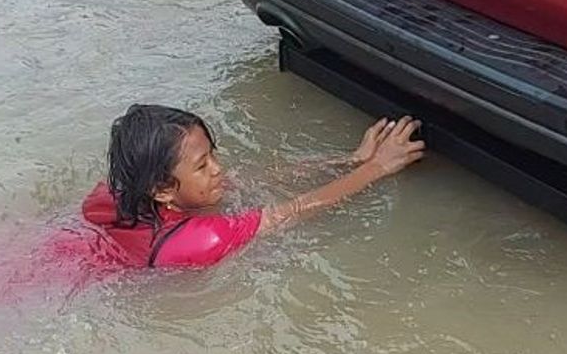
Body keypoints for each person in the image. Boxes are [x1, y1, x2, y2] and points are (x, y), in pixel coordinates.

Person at [79, 104, 424, 268]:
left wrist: (349, 161)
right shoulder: (201, 240)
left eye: (213, 155)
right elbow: (293, 211)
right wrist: (379, 168)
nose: (219, 169)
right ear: (162, 190)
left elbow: (245, 181)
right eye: (203, 166)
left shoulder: (123, 189)